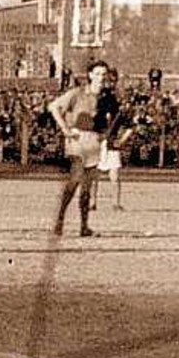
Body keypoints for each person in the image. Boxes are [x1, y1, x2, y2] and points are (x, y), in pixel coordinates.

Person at [47, 60, 111, 238]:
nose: (101, 77)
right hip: (78, 140)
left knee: (87, 188)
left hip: (94, 141)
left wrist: (106, 133)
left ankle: (84, 226)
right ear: (90, 75)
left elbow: (111, 119)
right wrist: (65, 130)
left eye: (104, 74)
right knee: (75, 179)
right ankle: (59, 220)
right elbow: (53, 107)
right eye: (98, 74)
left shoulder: (105, 98)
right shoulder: (77, 93)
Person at [91, 69, 132, 212]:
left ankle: (115, 203)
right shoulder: (98, 102)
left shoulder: (118, 107)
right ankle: (92, 202)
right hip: (99, 141)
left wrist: (121, 141)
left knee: (114, 175)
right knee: (94, 174)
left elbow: (129, 127)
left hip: (112, 143)